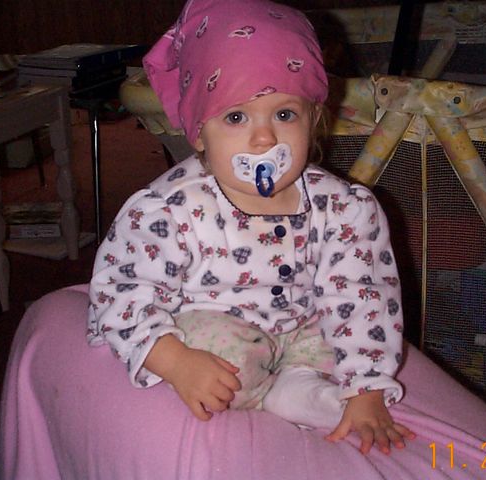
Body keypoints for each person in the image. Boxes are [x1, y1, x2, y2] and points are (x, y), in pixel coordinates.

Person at [88, 0, 414, 455]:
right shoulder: (168, 210)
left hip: (302, 327)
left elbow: (363, 295)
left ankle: (301, 388)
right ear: (198, 131)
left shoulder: (344, 208)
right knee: (219, 355)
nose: (264, 138)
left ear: (313, 119)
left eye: (285, 115)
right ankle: (260, 387)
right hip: (219, 326)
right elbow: (120, 289)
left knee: (341, 335)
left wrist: (367, 385)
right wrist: (174, 360)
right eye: (236, 117)